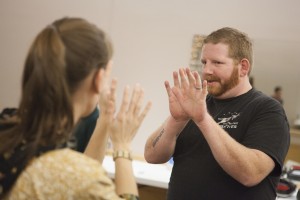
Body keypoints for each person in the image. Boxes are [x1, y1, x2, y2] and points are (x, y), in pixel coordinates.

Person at [0, 17, 151, 199]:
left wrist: (105, 120)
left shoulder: (7, 125)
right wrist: (122, 146)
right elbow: (77, 176)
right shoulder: (68, 171)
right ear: (98, 79)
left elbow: (77, 176)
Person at [144, 27, 290, 199]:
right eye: (205, 62)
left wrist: (203, 120)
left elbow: (250, 174)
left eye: (217, 63)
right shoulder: (197, 103)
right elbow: (152, 156)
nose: (207, 70)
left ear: (243, 67)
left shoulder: (267, 110)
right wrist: (176, 120)